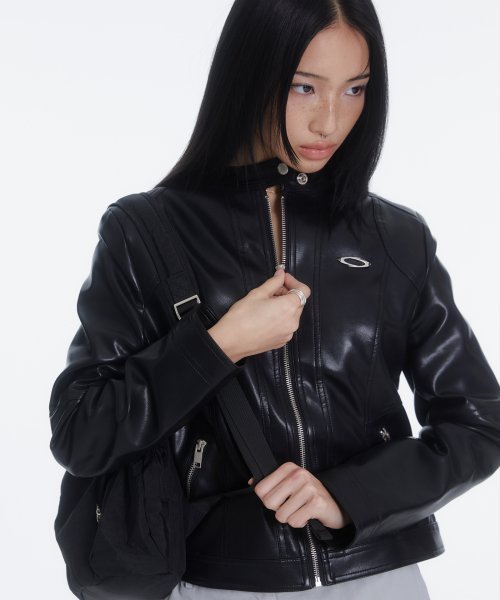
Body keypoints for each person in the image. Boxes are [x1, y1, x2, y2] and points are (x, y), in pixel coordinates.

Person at [49, 0, 500, 599]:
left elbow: (479, 424)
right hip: (223, 579)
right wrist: (220, 345)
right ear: (250, 72)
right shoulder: (145, 232)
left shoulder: (395, 238)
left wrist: (348, 496)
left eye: (355, 89)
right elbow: (81, 433)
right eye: (304, 87)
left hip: (381, 578)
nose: (330, 121)